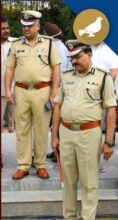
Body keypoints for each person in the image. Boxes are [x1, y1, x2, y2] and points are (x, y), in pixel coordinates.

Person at [51, 39, 116, 219]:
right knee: (68, 182)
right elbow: (58, 105)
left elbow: (111, 111)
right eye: (71, 58)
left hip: (90, 133)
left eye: (78, 57)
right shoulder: (67, 76)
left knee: (89, 182)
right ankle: (69, 217)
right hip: (66, 133)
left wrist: (109, 142)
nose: (74, 61)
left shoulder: (103, 77)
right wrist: (54, 135)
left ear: (89, 55)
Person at [5, 10, 61, 180]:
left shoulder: (49, 44)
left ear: (37, 26)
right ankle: (23, 165)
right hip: (21, 90)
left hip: (42, 91)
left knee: (42, 129)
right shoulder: (15, 45)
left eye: (29, 26)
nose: (26, 29)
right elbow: (10, 69)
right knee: (22, 130)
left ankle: (41, 165)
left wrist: (54, 92)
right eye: (24, 26)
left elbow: (56, 68)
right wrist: (8, 90)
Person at [44, 22, 72, 162]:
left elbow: (59, 72)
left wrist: (54, 91)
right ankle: (56, 150)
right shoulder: (60, 46)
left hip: (59, 87)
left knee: (59, 120)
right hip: (60, 86)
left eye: (44, 33)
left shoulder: (57, 48)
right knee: (56, 120)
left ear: (48, 35)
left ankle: (60, 150)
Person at [1, 16, 16, 133]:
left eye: (7, 28)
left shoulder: (15, 43)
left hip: (14, 88)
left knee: (13, 123)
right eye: (3, 29)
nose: (6, 31)